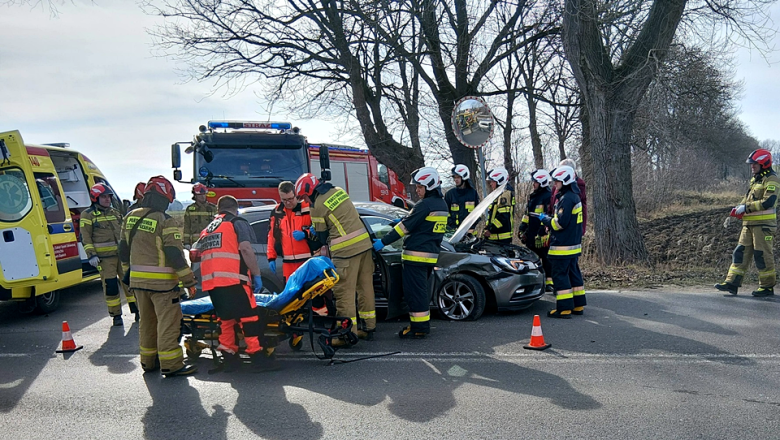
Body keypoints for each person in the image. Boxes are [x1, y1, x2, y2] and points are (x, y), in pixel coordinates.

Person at [118, 176, 198, 377]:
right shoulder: (164, 220)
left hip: (138, 282)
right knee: (168, 323)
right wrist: (188, 280)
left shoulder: (130, 217)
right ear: (164, 198)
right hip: (163, 285)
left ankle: (148, 361)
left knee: (146, 323)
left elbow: (123, 249)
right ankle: (171, 364)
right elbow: (174, 253)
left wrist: (129, 275)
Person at [199, 195, 278, 372]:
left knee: (226, 320)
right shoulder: (237, 222)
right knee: (249, 318)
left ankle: (229, 359)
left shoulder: (209, 229)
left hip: (212, 283)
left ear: (219, 209)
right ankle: (258, 358)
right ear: (235, 209)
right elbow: (245, 249)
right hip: (234, 280)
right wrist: (256, 274)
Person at [295, 172, 376, 345]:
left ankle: (346, 335)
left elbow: (322, 237)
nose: (305, 201)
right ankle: (368, 327)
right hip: (365, 246)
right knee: (365, 288)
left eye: (304, 197)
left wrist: (310, 233)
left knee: (344, 295)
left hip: (345, 252)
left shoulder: (317, 206)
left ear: (309, 192)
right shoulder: (339, 191)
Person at [372, 167, 448, 339]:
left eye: (420, 187)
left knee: (415, 294)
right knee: (420, 292)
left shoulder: (424, 205)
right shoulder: (441, 204)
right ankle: (420, 325)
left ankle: (419, 327)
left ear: (429, 186)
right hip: (429, 256)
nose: (417, 190)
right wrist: (407, 219)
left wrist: (383, 242)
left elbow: (403, 229)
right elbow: (425, 224)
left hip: (415, 257)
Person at [715, 149, 780, 297]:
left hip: (763, 226)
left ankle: (767, 287)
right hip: (749, 224)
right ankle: (732, 283)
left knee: (762, 255)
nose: (752, 166)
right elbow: (748, 199)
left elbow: (768, 202)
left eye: (754, 164)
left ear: (764, 164)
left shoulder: (772, 179)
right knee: (740, 253)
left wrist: (746, 208)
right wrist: (738, 208)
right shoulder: (756, 180)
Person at [81, 183, 137, 326]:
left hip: (121, 256)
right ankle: (116, 315)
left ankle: (137, 310)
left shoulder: (115, 213)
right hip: (104, 259)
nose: (107, 199)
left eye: (109, 197)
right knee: (111, 286)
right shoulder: (88, 215)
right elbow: (85, 237)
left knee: (129, 283)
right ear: (95, 198)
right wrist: (91, 255)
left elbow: (124, 233)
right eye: (104, 197)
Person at [537, 166, 585, 318]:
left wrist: (546, 220)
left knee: (560, 276)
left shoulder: (566, 199)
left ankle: (564, 309)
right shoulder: (574, 196)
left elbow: (560, 224)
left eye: (557, 181)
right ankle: (578, 305)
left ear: (564, 181)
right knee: (574, 274)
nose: (554, 184)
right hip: (573, 245)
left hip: (562, 246)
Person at [518, 169, 554, 292]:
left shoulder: (548, 196)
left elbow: (548, 215)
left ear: (542, 182)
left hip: (542, 234)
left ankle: (549, 282)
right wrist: (522, 228)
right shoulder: (532, 197)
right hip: (531, 232)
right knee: (532, 257)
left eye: (535, 182)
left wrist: (542, 233)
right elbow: (527, 214)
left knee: (546, 258)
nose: (533, 184)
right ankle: (536, 281)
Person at [549, 158, 587, 234]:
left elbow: (569, 207)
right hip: (556, 223)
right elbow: (552, 203)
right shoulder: (556, 187)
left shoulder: (578, 186)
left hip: (571, 228)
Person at [483, 167, 514, 244]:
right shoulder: (498, 194)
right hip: (495, 237)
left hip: (501, 238)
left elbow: (503, 217)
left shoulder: (504, 195)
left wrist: (490, 229)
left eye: (493, 181)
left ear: (500, 181)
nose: (491, 184)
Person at [445, 164, 480, 231]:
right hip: (454, 231)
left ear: (464, 177)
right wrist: (452, 226)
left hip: (470, 231)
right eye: (454, 177)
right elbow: (446, 213)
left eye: (458, 177)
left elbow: (478, 212)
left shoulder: (473, 193)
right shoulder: (450, 194)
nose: (456, 179)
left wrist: (472, 226)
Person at [183, 183, 217, 249]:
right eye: (200, 195)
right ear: (195, 196)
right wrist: (186, 243)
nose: (203, 196)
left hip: (210, 242)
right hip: (195, 243)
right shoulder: (190, 209)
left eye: (204, 194)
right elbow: (187, 227)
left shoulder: (213, 208)